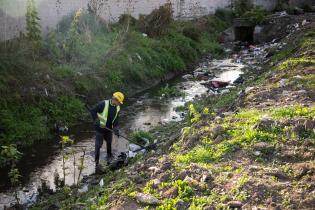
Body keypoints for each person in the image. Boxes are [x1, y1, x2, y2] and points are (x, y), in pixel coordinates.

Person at [90, 92, 124, 166]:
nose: (119, 104)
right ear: (115, 99)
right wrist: (96, 120)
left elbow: (116, 120)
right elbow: (93, 111)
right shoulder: (103, 104)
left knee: (109, 142)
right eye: (119, 102)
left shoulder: (117, 107)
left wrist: (116, 129)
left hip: (109, 129)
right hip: (100, 128)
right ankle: (96, 162)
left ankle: (109, 157)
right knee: (98, 145)